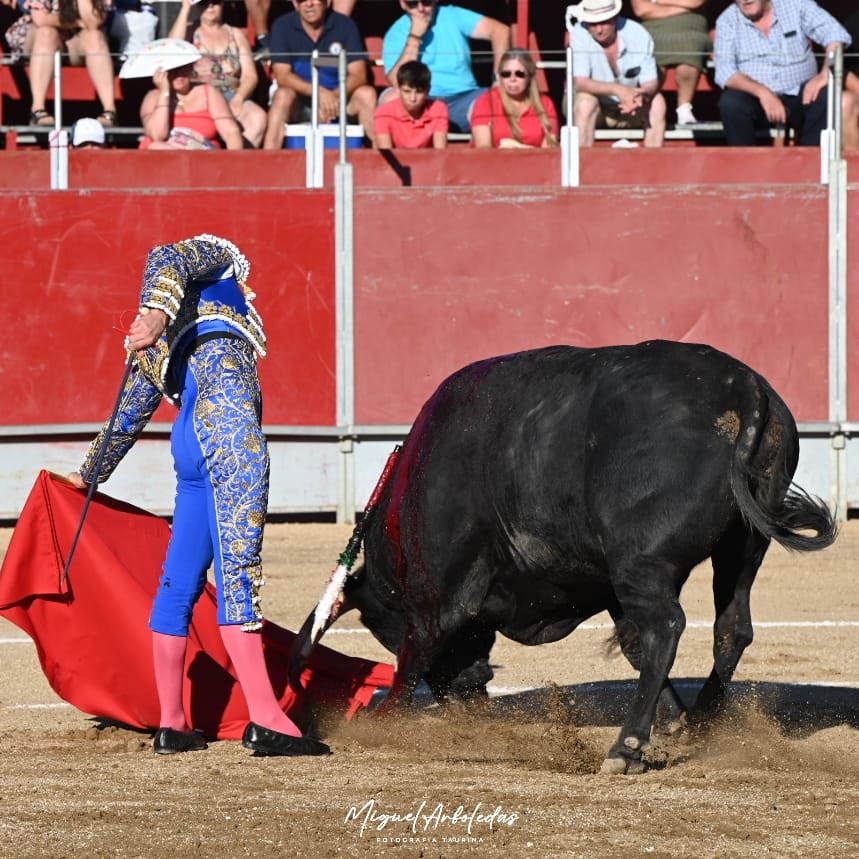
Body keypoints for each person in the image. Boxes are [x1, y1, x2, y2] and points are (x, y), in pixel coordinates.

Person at [67, 235, 332, 758]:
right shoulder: (217, 264)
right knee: (239, 573)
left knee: (178, 581)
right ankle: (267, 718)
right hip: (228, 429)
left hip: (188, 441)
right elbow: (169, 256)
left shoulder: (158, 346)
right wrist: (158, 315)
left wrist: (89, 473)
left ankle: (173, 724)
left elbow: (128, 415)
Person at [713, 0, 850, 147]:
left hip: (801, 96)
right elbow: (724, 71)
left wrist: (824, 74)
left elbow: (836, 34)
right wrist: (762, 92)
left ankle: (812, 160)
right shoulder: (727, 20)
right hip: (756, 101)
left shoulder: (797, 5)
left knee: (826, 93)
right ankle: (743, 164)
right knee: (731, 102)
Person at [380, 0, 511, 134]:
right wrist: (414, 38)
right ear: (402, 4)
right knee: (390, 99)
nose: (421, 9)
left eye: (426, 2)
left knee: (497, 98)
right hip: (420, 100)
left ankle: (485, 153)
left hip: (464, 98)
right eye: (413, 4)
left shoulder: (452, 15)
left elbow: (500, 31)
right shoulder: (396, 32)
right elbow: (396, 81)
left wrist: (498, 79)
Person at [263, 0, 376, 150]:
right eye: (302, 0)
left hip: (338, 98)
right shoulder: (282, 26)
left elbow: (359, 74)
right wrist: (319, 94)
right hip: (301, 102)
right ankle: (269, 162)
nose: (309, 4)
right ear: (295, 4)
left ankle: (378, 162)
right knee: (282, 96)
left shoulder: (345, 25)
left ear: (327, 2)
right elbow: (283, 76)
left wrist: (333, 97)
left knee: (367, 94)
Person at [168, 0, 267, 148]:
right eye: (204, 3)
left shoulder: (236, 34)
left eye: (215, 2)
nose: (210, 7)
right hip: (199, 95)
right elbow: (171, 49)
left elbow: (250, 76)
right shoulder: (189, 32)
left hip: (231, 94)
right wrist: (186, 8)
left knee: (257, 117)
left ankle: (238, 164)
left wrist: (238, 99)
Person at [568, 0, 666, 148]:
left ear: (615, 18)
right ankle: (581, 163)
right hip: (598, 107)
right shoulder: (579, 33)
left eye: (604, 23)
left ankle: (653, 164)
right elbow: (581, 83)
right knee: (585, 103)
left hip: (634, 105)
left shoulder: (638, 33)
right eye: (592, 24)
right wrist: (619, 90)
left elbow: (651, 82)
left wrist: (641, 96)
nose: (599, 30)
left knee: (657, 102)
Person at [5, 0, 117, 127]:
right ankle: (38, 109)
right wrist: (77, 22)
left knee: (95, 37)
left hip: (78, 39)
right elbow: (41, 19)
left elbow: (94, 22)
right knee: (46, 33)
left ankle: (110, 111)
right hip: (40, 36)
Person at [629, 0, 712, 126]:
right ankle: (649, 107)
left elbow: (696, 2)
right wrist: (684, 7)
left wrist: (657, 2)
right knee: (649, 49)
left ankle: (684, 109)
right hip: (653, 27)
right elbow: (641, 10)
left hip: (691, 26)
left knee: (691, 45)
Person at [139, 61, 245, 149]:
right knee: (156, 146)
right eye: (172, 69)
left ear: (191, 69)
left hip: (202, 153)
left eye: (183, 68)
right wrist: (164, 92)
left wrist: (232, 161)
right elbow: (157, 135)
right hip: (163, 154)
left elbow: (231, 133)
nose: (179, 74)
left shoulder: (208, 92)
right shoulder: (153, 97)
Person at [471, 48, 559, 149]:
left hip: (534, 163)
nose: (512, 79)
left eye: (520, 74)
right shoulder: (485, 101)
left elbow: (548, 149)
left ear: (530, 76)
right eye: (506, 74)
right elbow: (483, 147)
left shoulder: (545, 104)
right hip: (495, 162)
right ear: (499, 76)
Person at [374, 59, 448, 149]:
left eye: (419, 92)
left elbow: (440, 153)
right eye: (407, 91)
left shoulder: (438, 109)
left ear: (428, 90)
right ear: (398, 89)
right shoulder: (383, 112)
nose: (412, 98)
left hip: (428, 162)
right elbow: (386, 154)